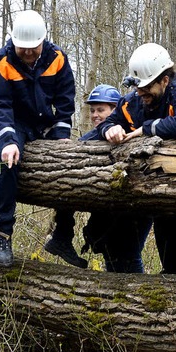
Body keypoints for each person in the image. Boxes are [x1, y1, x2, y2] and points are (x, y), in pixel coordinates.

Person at [97, 43, 176, 274]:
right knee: (171, 268)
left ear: (164, 80)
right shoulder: (133, 101)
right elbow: (106, 123)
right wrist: (109, 130)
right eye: (138, 88)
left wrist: (147, 129)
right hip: (164, 201)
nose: (141, 93)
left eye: (146, 87)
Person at [0, 9, 76, 266]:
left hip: (46, 124)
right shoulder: (0, 61)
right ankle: (3, 235)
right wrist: (8, 142)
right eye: (21, 47)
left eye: (32, 48)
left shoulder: (57, 58)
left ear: (42, 42)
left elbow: (65, 99)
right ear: (13, 41)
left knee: (71, 168)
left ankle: (63, 234)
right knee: (8, 165)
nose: (27, 53)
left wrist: (61, 134)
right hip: (15, 124)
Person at [44, 84, 153, 272]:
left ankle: (129, 295)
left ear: (115, 110)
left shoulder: (133, 131)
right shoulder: (89, 139)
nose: (95, 114)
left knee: (127, 255)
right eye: (92, 110)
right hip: (114, 209)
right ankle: (62, 236)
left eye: (101, 110)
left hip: (137, 206)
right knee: (114, 253)